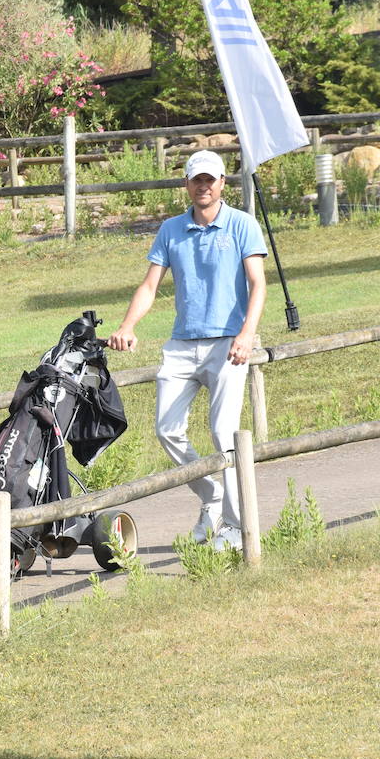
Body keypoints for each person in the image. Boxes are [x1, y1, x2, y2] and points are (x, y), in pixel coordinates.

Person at [107, 150, 267, 552]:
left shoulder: (242, 225)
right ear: (187, 184)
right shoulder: (171, 230)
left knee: (223, 432)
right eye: (197, 179)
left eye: (210, 180)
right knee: (166, 429)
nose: (204, 186)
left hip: (228, 345)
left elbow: (258, 284)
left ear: (222, 184)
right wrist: (128, 325)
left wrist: (248, 334)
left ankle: (234, 526)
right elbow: (149, 287)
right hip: (181, 345)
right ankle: (210, 495)